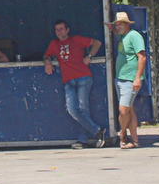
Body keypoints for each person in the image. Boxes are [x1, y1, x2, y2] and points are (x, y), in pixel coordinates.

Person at [43, 20, 106, 149]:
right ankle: (97, 131)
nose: (59, 32)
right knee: (72, 110)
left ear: (67, 30)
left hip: (83, 77)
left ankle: (82, 140)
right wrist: (47, 62)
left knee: (83, 110)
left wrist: (89, 56)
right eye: (57, 30)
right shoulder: (54, 44)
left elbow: (97, 43)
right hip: (68, 81)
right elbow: (46, 55)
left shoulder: (76, 40)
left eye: (61, 29)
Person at [107, 11, 146, 149]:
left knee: (123, 110)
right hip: (121, 78)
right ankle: (134, 141)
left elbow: (142, 57)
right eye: (116, 25)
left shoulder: (134, 36)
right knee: (129, 110)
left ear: (126, 24)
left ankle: (122, 134)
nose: (118, 27)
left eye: (120, 24)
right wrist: (112, 29)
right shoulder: (123, 37)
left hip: (130, 79)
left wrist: (137, 78)